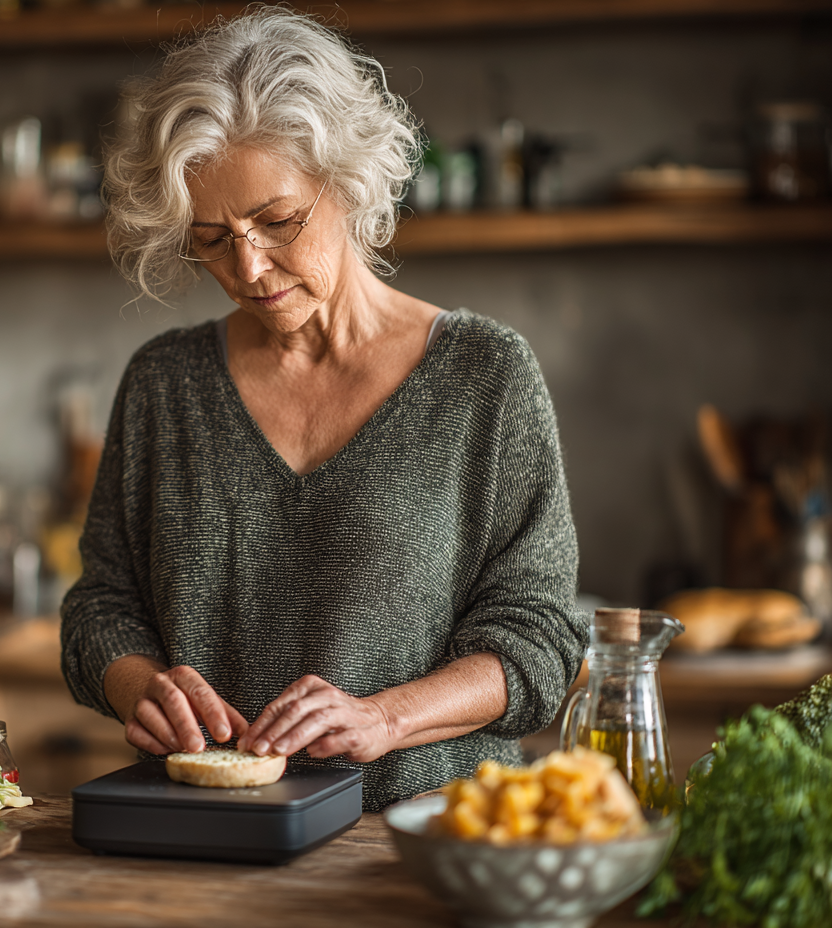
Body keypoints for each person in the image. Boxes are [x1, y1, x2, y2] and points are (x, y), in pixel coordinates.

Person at [60, 8, 586, 811]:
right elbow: (101, 606)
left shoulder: (486, 377)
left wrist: (385, 717)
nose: (248, 266)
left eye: (276, 222)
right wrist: (141, 688)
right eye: (210, 238)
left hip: (429, 844)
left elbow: (540, 640)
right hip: (211, 843)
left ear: (349, 183)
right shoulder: (164, 387)